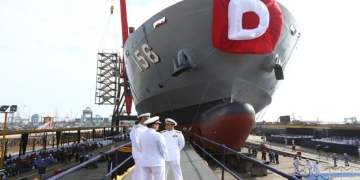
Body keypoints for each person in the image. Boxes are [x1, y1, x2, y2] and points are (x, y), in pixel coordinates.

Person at [130, 112, 150, 180]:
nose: (148, 120)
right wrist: (145, 151)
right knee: (139, 173)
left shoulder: (147, 128)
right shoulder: (136, 128)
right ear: (141, 119)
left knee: (146, 173)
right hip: (140, 154)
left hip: (147, 154)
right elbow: (136, 142)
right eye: (146, 119)